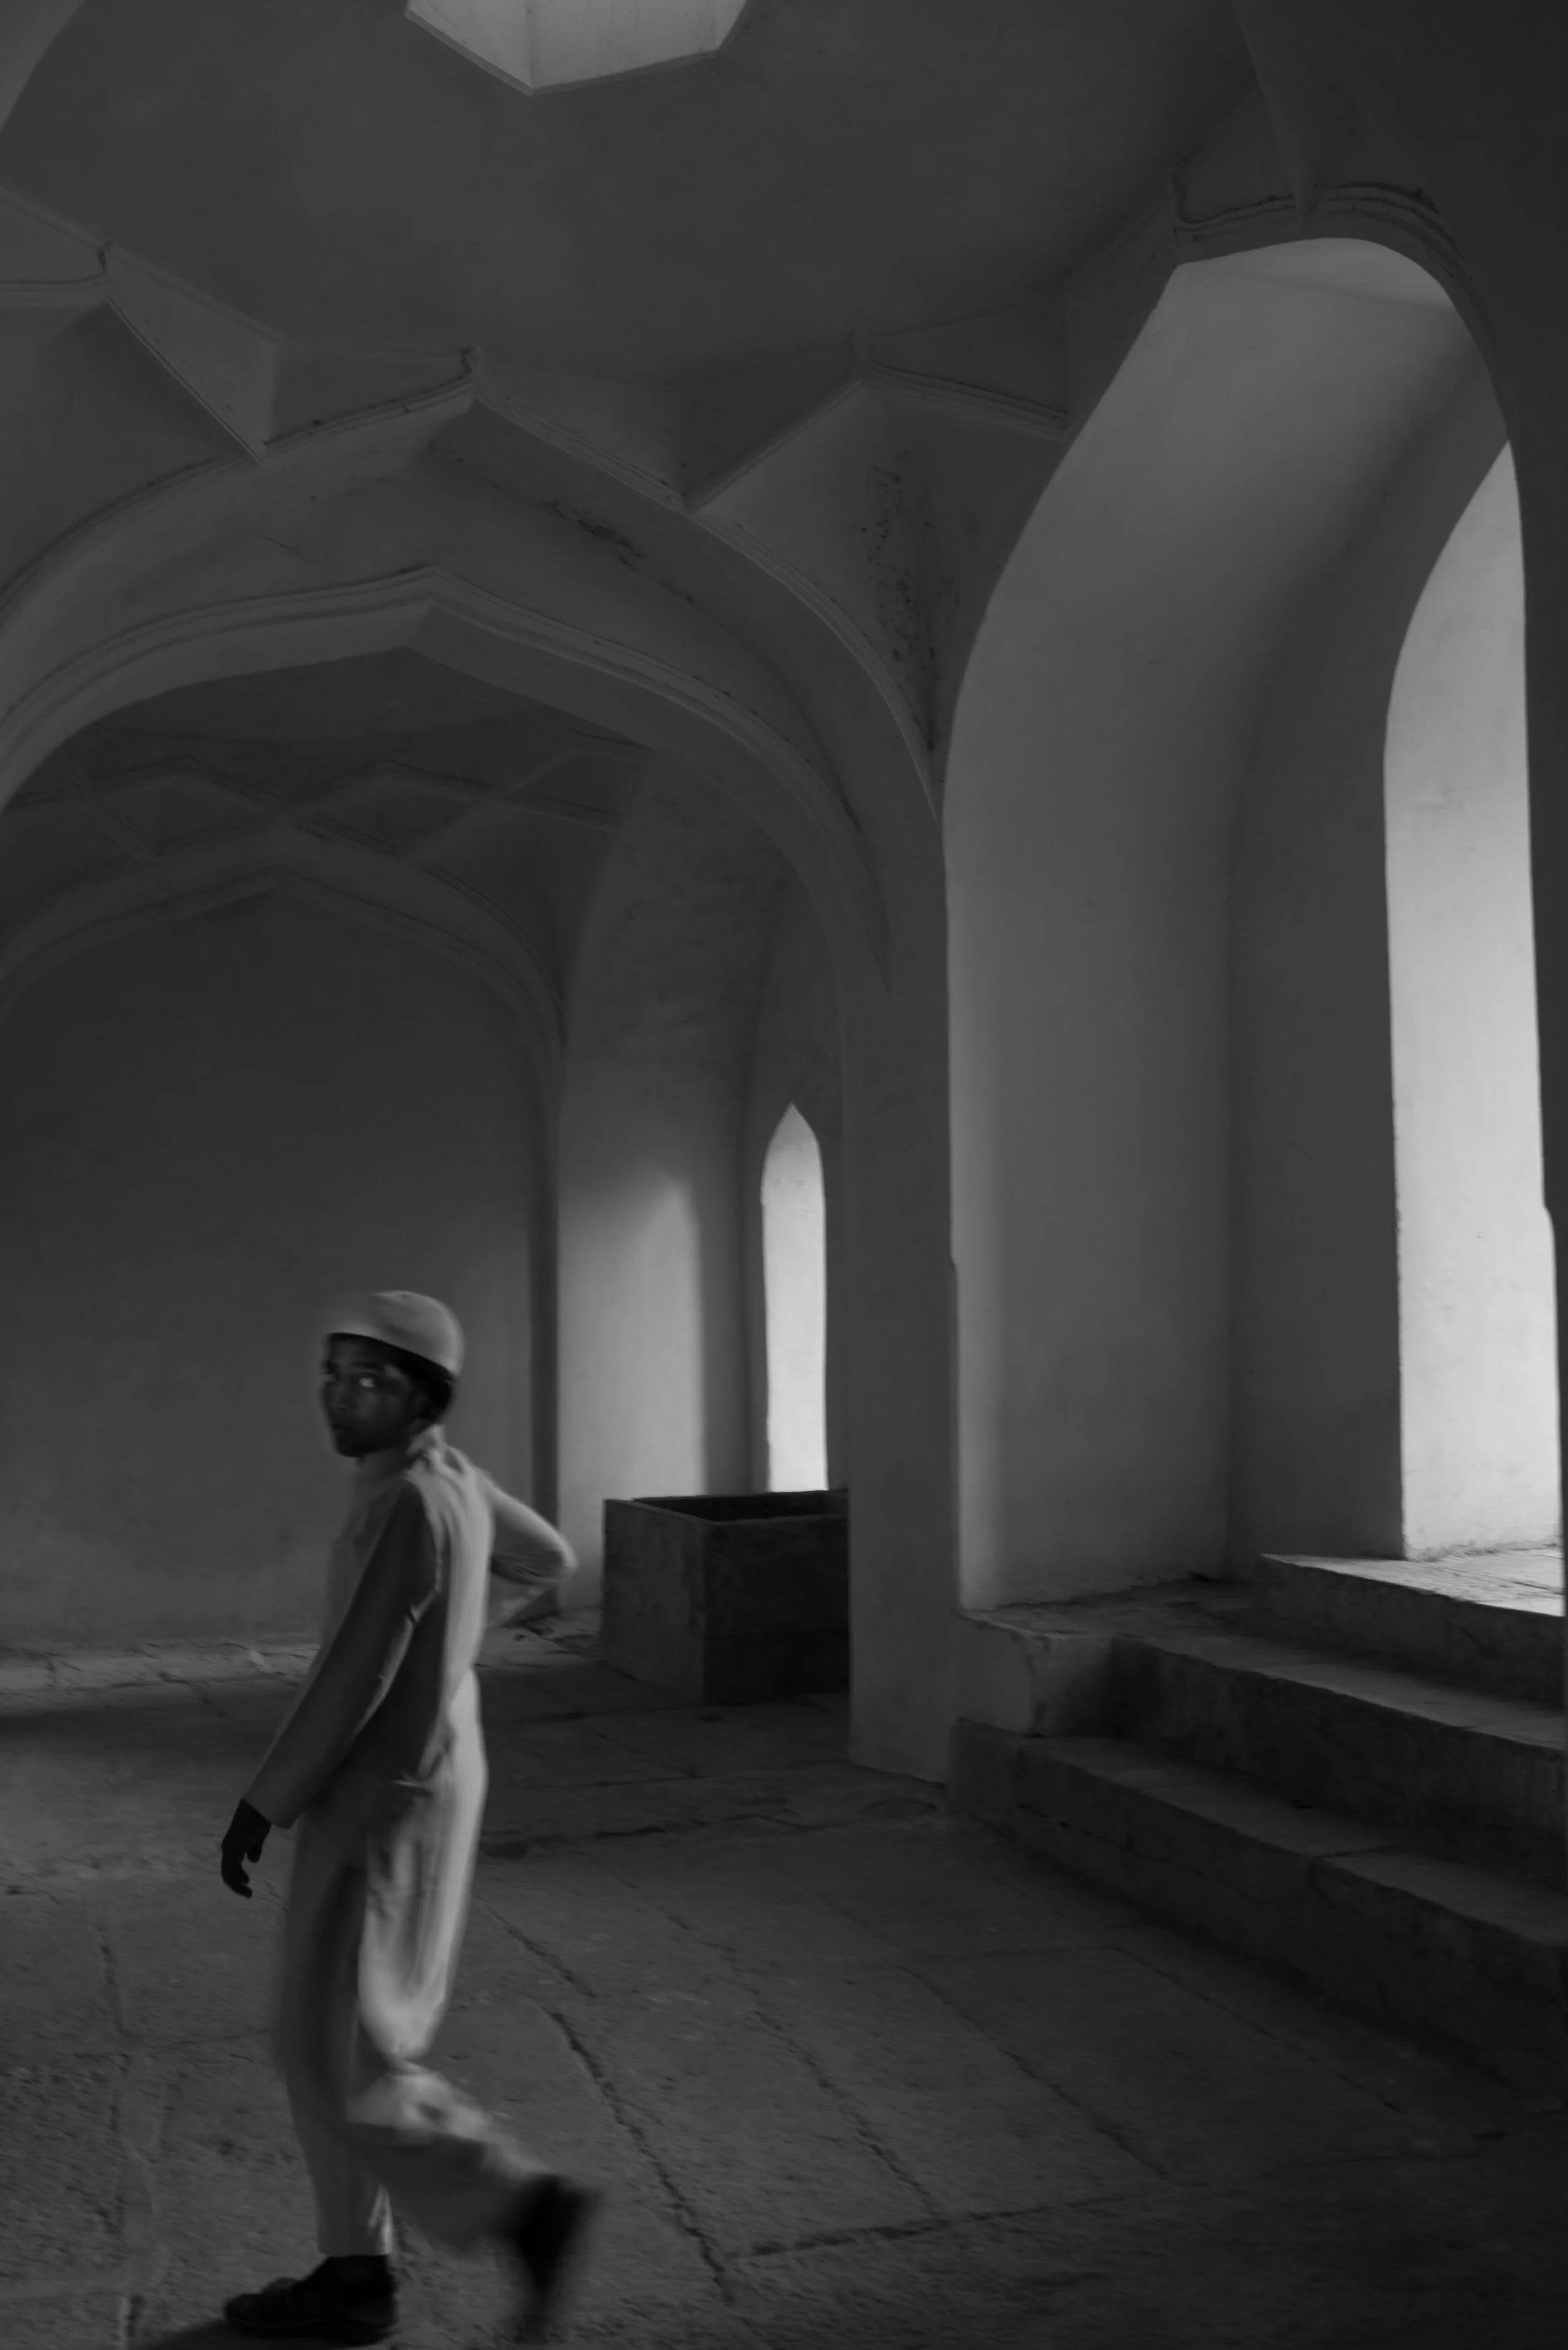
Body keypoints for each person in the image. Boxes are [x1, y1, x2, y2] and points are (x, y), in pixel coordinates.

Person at [218, 1291, 596, 2344]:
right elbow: (548, 1559)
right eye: (333, 1373)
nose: (340, 1395)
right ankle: (357, 2270)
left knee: (345, 2048)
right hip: (415, 1774)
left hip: (384, 1795)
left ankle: (516, 2209)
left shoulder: (413, 1503)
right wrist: (453, 1642)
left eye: (371, 1379)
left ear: (425, 1397)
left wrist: (262, 1801)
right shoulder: (446, 1477)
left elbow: (356, 1673)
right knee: (324, 2039)